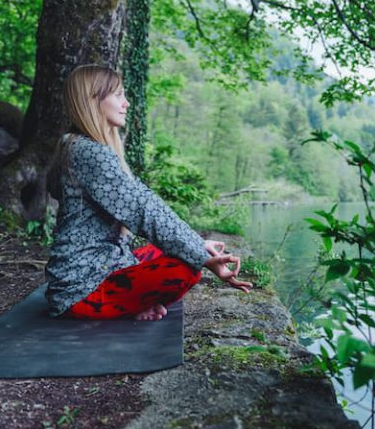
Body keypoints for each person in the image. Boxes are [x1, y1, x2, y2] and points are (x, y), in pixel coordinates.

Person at [45, 64, 252, 321]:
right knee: (186, 269)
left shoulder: (72, 144)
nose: (127, 103)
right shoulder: (89, 153)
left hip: (96, 267)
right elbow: (143, 211)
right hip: (81, 289)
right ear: (92, 100)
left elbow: (144, 201)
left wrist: (199, 245)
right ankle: (124, 305)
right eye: (118, 94)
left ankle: (130, 302)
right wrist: (200, 254)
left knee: (173, 252)